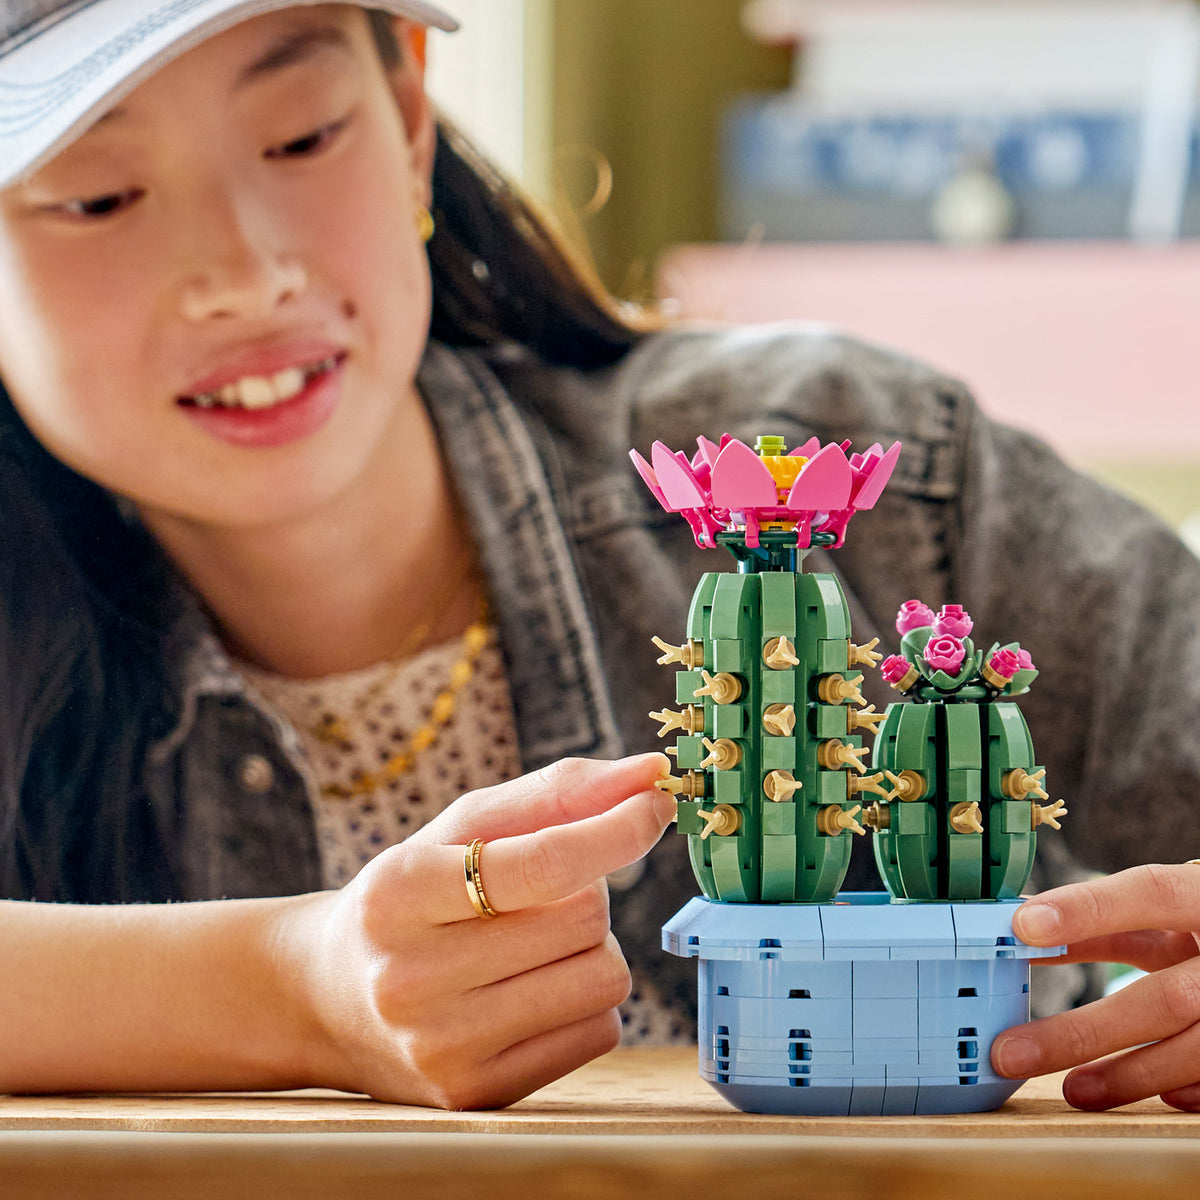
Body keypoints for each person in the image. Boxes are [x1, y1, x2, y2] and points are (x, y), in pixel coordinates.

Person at [0, 0, 1197, 1113]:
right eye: (97, 195)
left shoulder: (848, 467)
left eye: (304, 136)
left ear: (411, 117)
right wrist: (291, 986)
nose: (250, 275)